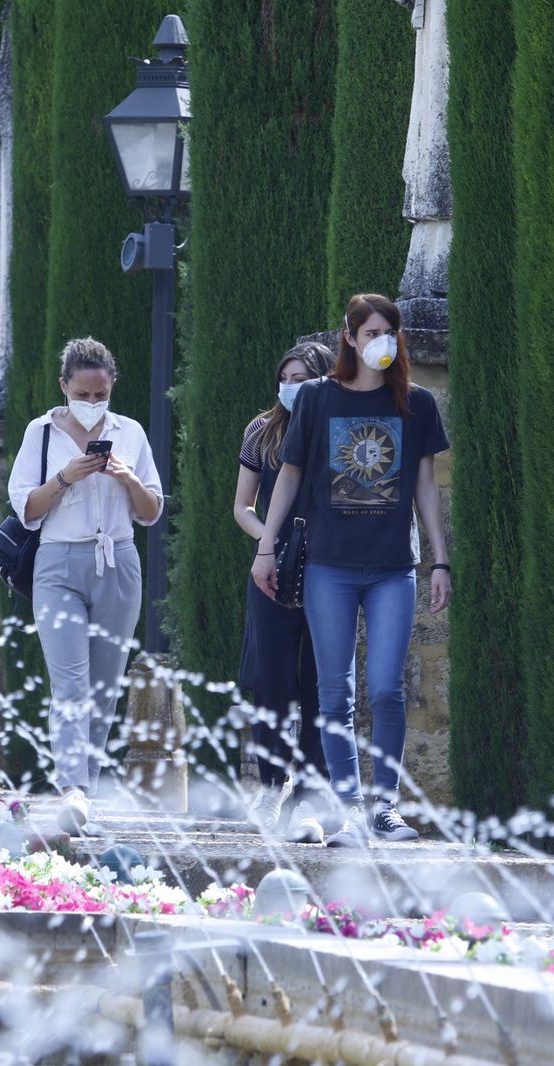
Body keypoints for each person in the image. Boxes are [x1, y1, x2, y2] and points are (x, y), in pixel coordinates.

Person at [251, 294, 452, 846]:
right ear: (349, 338)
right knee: (334, 693)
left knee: (386, 689)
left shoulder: (416, 403)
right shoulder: (317, 399)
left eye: (390, 332)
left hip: (393, 567)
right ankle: (349, 806)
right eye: (370, 333)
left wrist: (441, 560)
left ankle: (385, 808)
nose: (381, 342)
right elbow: (289, 477)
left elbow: (425, 487)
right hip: (329, 567)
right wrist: (265, 547)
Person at [8, 338, 164, 835]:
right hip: (57, 563)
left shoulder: (131, 433)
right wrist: (66, 477)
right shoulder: (42, 432)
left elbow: (151, 511)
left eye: (100, 394)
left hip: (117, 560)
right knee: (70, 683)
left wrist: (125, 477)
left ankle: (86, 797)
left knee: (103, 688)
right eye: (83, 393)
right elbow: (26, 509)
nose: (92, 403)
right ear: (64, 387)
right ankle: (71, 786)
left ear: (112, 386)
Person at [233, 340, 335, 843]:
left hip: (326, 571)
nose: (290, 387)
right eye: (285, 378)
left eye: (301, 379)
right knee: (271, 679)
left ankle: (309, 794)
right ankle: (271, 782)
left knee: (321, 683)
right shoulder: (261, 430)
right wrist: (268, 543)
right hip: (271, 566)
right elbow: (241, 506)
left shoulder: (335, 429)